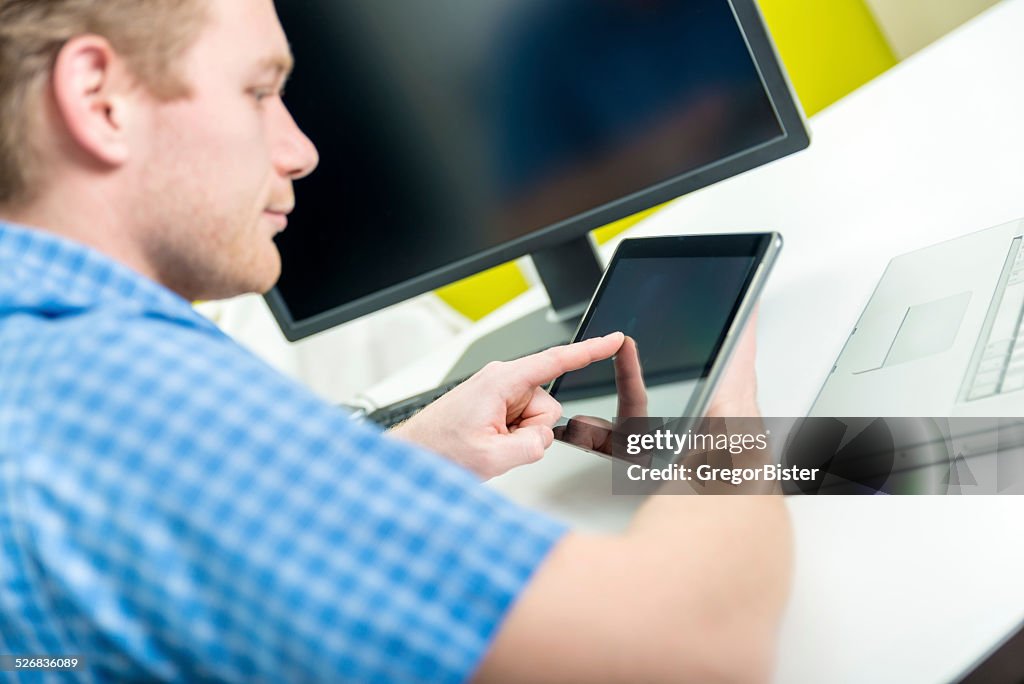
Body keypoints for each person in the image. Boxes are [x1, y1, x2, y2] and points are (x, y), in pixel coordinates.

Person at [0, 0, 791, 681]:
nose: (299, 151)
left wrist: (403, 458)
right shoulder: (128, 401)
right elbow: (692, 649)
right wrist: (719, 408)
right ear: (99, 99)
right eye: (260, 91)